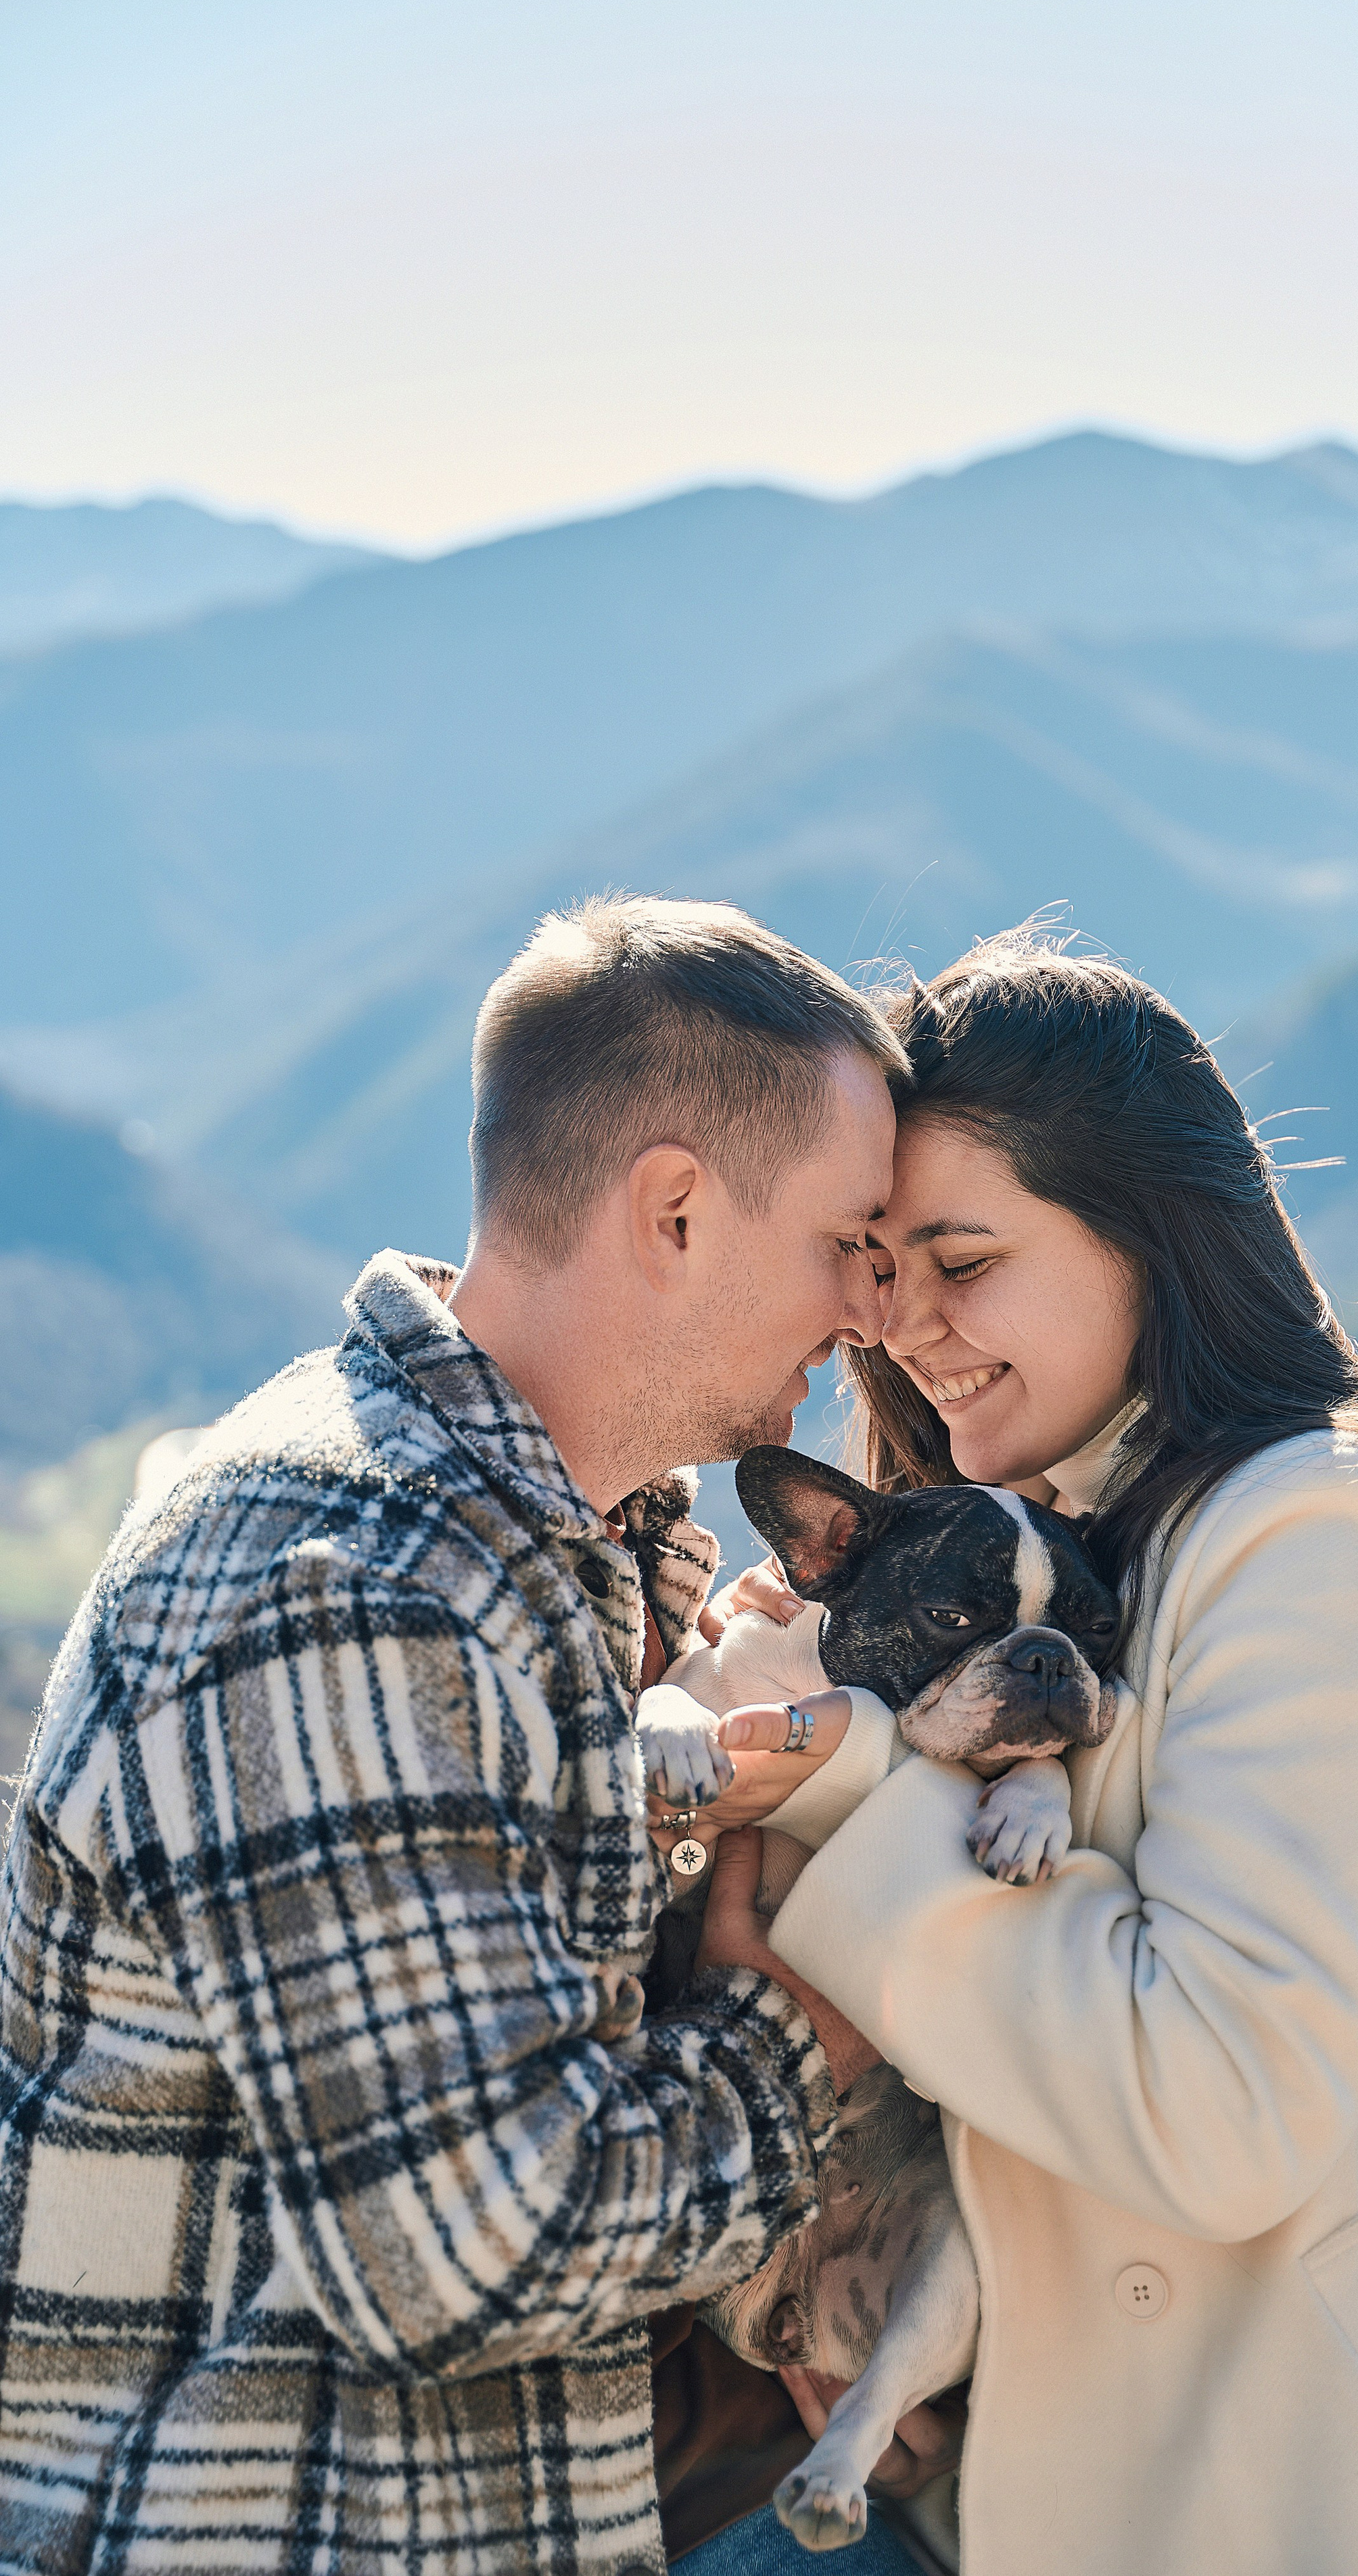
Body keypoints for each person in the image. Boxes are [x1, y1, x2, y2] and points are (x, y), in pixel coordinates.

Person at [687, 932, 1358, 2575]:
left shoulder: (1324, 1536)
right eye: (883, 1270)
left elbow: (1214, 2110)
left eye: (965, 1261)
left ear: (1148, 1240)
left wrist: (840, 1784)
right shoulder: (1040, 1551)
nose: (912, 1329)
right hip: (1049, 2478)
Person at [0, 897, 912, 2576]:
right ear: (678, 1208)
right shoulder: (350, 1587)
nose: (865, 1307)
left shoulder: (535, 1559)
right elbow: (468, 2250)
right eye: (846, 1236)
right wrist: (818, 2030)